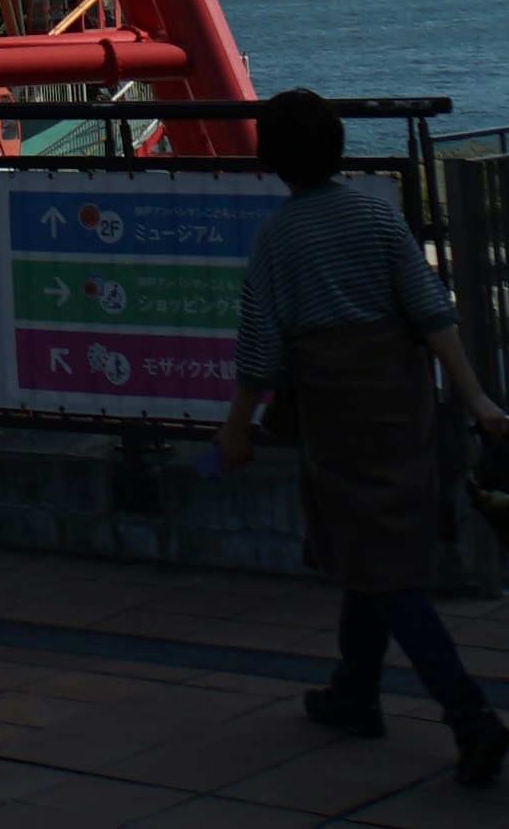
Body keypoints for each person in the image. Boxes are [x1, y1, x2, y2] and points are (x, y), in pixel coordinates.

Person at [221, 89, 509, 785]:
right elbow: (431, 309)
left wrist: (236, 427)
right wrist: (473, 396)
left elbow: (261, 352)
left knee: (378, 562)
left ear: (269, 157)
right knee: (372, 545)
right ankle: (355, 691)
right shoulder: (377, 215)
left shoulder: (277, 237)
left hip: (335, 408)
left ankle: (469, 715)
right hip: (401, 400)